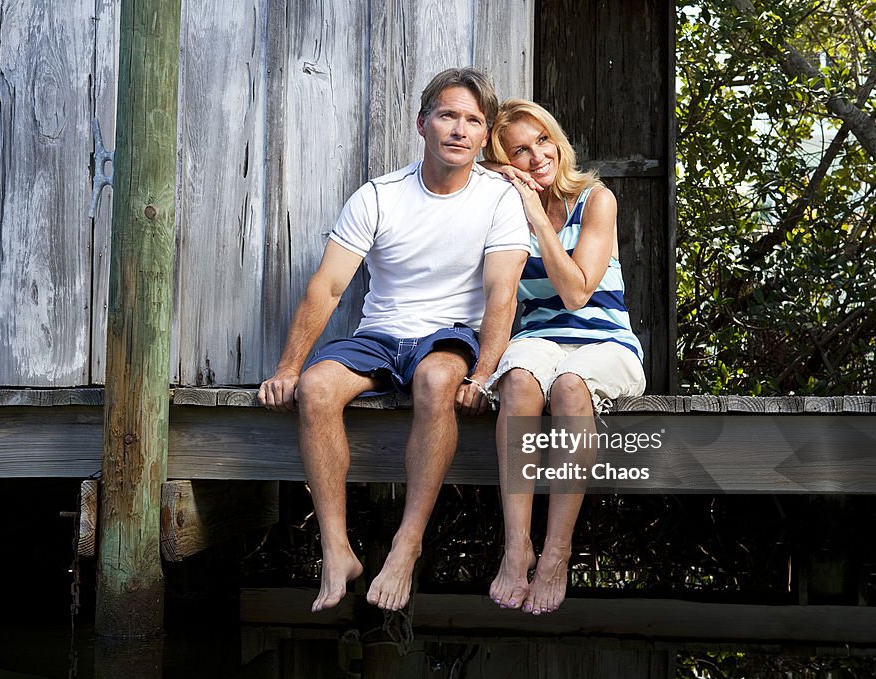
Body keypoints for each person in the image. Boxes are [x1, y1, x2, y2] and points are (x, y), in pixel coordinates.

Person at [258, 68, 530, 613]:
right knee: (315, 388)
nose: (459, 129)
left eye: (473, 121)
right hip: (379, 335)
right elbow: (329, 285)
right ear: (422, 123)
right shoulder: (379, 195)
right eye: (448, 115)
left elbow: (502, 295)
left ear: (483, 136)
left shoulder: (499, 199)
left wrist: (482, 375)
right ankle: (337, 549)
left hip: (449, 337)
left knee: (434, 379)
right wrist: (288, 367)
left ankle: (407, 544)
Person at [482, 99, 646, 615]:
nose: (536, 157)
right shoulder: (502, 207)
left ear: (558, 140)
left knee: (570, 386)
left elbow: (576, 292)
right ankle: (517, 545)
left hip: (605, 344)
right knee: (520, 382)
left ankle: (555, 551)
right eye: (519, 151)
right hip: (539, 339)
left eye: (542, 142)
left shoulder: (596, 200)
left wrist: (539, 219)